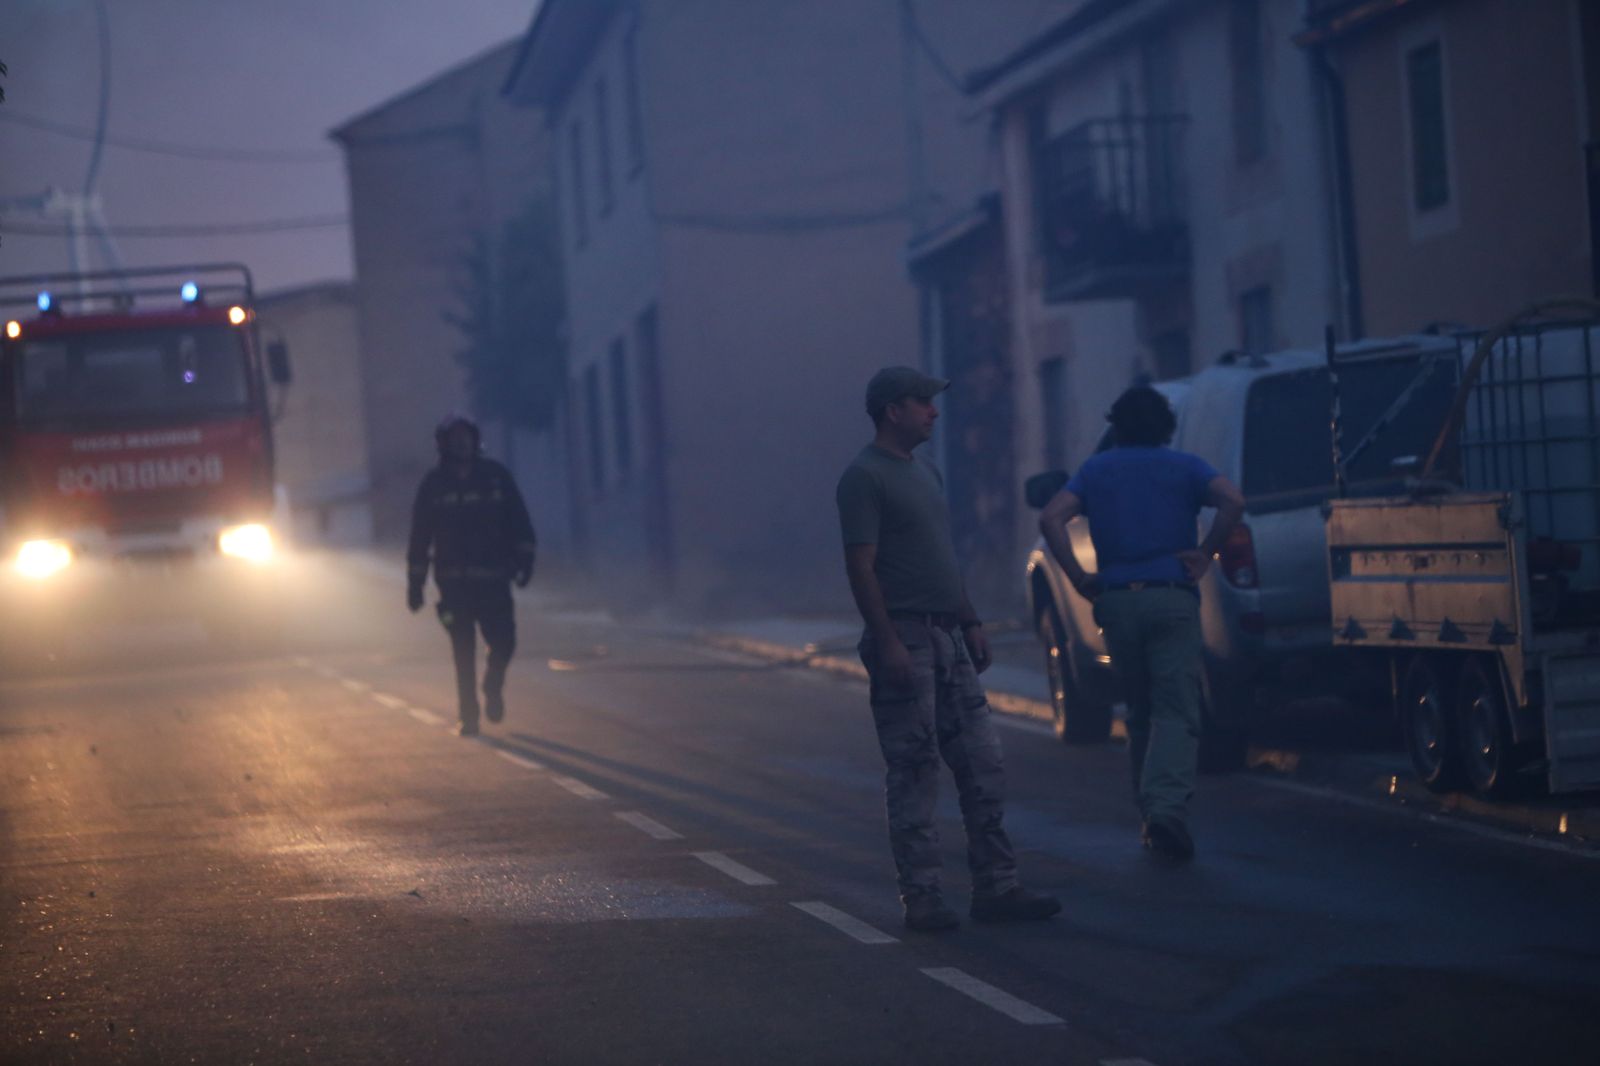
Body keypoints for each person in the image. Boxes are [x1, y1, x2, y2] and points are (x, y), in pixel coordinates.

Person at [836, 366, 1061, 932]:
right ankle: (924, 896)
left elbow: (938, 554)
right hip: (905, 636)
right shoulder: (864, 477)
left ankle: (998, 887)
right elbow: (861, 566)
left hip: (948, 635)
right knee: (914, 767)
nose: (933, 412)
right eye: (923, 403)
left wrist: (969, 619)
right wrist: (886, 641)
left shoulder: (927, 472)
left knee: (983, 762)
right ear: (894, 410)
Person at [1038, 385, 1245, 862]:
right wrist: (1207, 553)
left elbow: (1051, 519)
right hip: (1170, 598)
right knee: (1176, 705)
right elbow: (1232, 501)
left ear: (1117, 425)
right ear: (1165, 428)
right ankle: (1165, 810)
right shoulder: (1186, 466)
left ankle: (1148, 815)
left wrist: (1076, 576)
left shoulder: (1095, 471)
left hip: (1115, 602)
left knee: (1140, 707)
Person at [407, 414, 537, 737]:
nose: (462, 443)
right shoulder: (433, 485)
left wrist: (525, 563)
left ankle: (493, 683)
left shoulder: (496, 478)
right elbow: (420, 537)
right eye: (455, 438)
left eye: (467, 437)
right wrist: (415, 585)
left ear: (475, 440)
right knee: (462, 652)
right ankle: (469, 715)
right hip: (454, 587)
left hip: (495, 582)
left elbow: (520, 522)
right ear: (444, 444)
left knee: (504, 643)